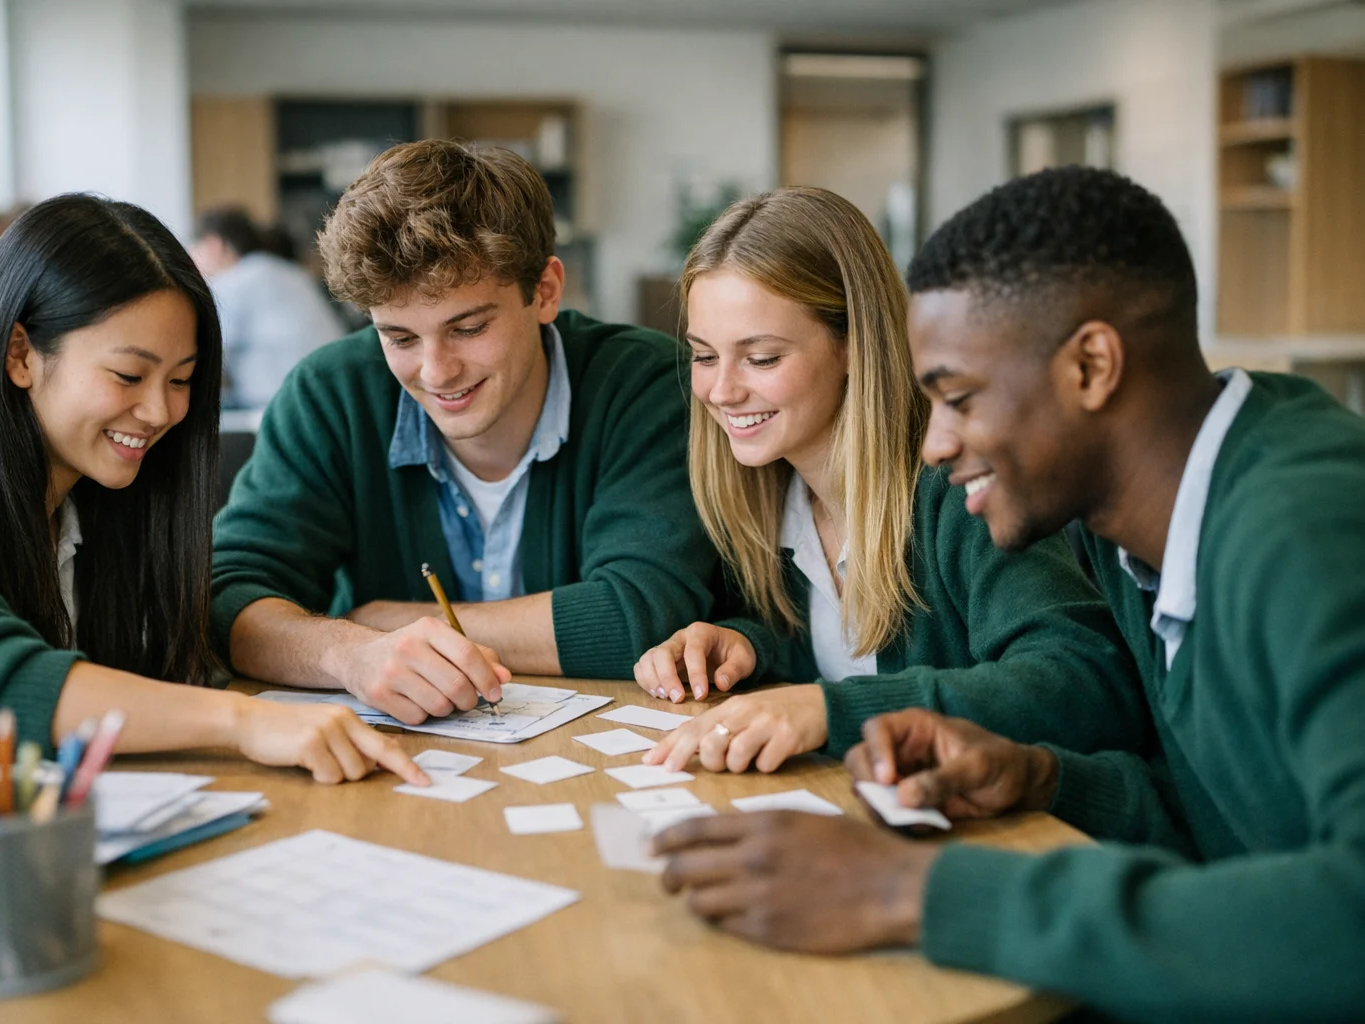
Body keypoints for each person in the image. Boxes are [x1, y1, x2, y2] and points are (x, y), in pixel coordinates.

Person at [653, 167, 1365, 1021]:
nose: (932, 444)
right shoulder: (1134, 529)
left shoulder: (1304, 528)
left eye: (958, 398)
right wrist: (1040, 778)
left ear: (1092, 366)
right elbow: (1223, 825)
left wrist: (913, 892)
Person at [0, 194, 428, 787]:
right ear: (20, 355)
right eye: (129, 375)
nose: (160, 411)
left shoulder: (109, 491)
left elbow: (186, 649)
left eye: (182, 379)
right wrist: (241, 720)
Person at [630, 186, 1142, 776]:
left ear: (854, 345)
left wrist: (831, 710)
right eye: (704, 356)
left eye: (762, 358)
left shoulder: (960, 485)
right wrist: (748, 643)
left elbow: (1085, 682)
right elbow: (827, 658)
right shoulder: (770, 493)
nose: (721, 391)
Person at [212, 140, 717, 724]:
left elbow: (645, 614)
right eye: (400, 338)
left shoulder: (646, 384)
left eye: (468, 328)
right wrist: (348, 652)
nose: (436, 372)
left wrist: (385, 622)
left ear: (545, 292)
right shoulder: (330, 394)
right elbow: (227, 597)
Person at [189, 205, 345, 411]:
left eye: (194, 248)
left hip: (285, 404)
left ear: (213, 245)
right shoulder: (286, 271)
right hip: (330, 394)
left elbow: (204, 355)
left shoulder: (235, 280)